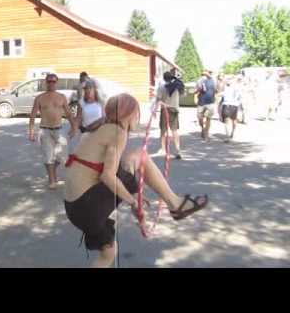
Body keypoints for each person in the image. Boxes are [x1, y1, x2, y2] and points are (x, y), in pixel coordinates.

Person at [64, 93, 208, 268]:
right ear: (129, 113)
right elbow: (108, 175)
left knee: (108, 253)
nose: (138, 119)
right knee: (140, 155)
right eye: (137, 114)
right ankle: (175, 203)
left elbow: (109, 168)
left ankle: (174, 204)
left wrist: (133, 193)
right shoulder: (118, 132)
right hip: (86, 205)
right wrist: (133, 201)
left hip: (73, 209)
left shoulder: (98, 130)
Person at [29, 73, 78, 189]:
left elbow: (69, 113)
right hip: (45, 130)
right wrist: (31, 132)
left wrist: (74, 127)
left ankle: (52, 171)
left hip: (59, 130)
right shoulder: (40, 98)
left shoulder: (61, 97)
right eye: (49, 81)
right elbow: (32, 116)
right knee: (48, 156)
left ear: (57, 82)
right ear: (46, 83)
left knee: (62, 156)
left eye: (53, 81)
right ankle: (52, 180)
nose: (51, 83)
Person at [156, 71, 184, 159]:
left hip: (165, 109)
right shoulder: (177, 86)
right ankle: (178, 150)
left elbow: (159, 99)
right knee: (174, 130)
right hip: (175, 109)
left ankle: (163, 149)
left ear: (164, 78)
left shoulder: (162, 87)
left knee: (163, 130)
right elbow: (182, 95)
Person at [196, 70, 216, 141]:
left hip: (210, 102)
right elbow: (197, 90)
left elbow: (215, 90)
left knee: (208, 118)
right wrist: (197, 91)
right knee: (200, 118)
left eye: (208, 73)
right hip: (201, 102)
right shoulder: (199, 81)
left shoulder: (212, 80)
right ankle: (202, 129)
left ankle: (206, 134)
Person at [220, 77, 242, 143]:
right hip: (234, 105)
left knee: (227, 122)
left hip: (227, 105)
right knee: (233, 120)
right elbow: (240, 97)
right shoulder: (237, 88)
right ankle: (232, 133)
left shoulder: (225, 88)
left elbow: (220, 95)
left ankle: (228, 136)